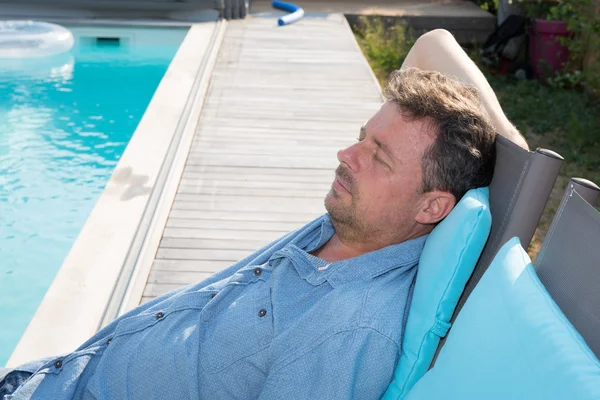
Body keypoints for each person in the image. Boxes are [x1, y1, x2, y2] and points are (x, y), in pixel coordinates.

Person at [1, 29, 527, 399]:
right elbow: (432, 42)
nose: (347, 154)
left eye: (378, 155)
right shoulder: (362, 224)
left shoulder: (348, 328)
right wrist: (509, 151)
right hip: (53, 378)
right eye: (363, 135)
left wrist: (517, 162)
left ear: (433, 206)